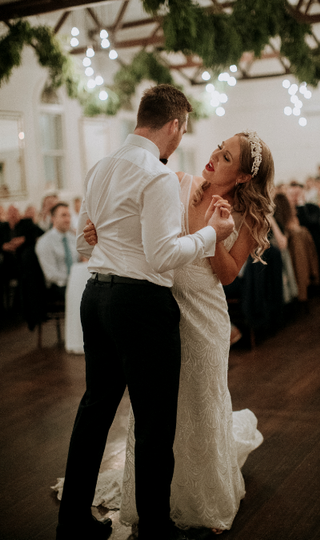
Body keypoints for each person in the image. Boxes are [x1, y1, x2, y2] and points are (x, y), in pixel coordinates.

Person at [56, 84, 235, 540]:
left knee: (94, 411)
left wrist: (106, 239)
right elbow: (161, 256)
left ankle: (72, 521)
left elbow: (82, 242)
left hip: (95, 297)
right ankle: (156, 529)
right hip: (139, 305)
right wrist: (211, 235)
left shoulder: (100, 167)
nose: (181, 140)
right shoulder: (156, 175)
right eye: (184, 130)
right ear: (174, 126)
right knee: (155, 421)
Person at [83, 130, 274, 535]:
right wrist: (100, 233)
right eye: (218, 149)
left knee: (202, 403)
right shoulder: (179, 183)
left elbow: (226, 275)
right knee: (158, 411)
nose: (213, 157)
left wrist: (217, 234)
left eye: (225, 157)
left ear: (241, 177)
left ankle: (205, 498)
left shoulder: (251, 217)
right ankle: (156, 501)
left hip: (205, 316)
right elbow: (141, 228)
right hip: (161, 308)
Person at [35, 202, 79, 302]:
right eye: (63, 215)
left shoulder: (73, 238)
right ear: (53, 218)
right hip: (58, 287)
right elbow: (50, 275)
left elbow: (80, 261)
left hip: (75, 282)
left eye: (69, 216)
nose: (68, 220)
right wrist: (73, 280)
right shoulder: (45, 242)